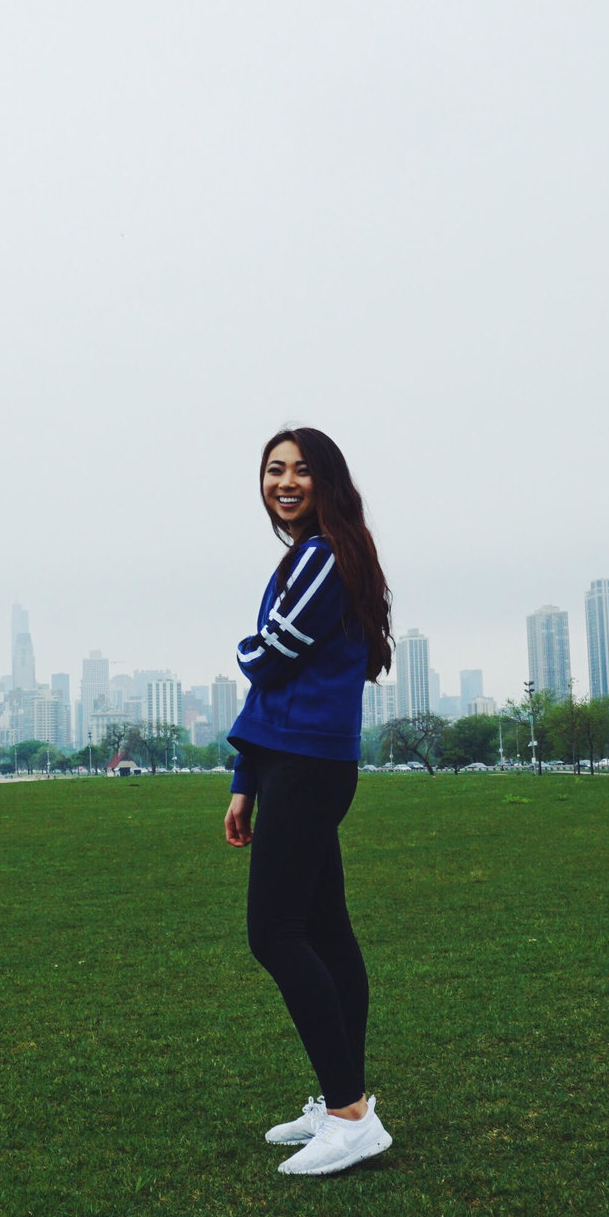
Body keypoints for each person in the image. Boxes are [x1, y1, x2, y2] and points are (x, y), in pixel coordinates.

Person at [224, 426, 396, 1177]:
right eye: (272, 470)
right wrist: (243, 780)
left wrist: (246, 646)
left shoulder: (326, 555)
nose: (283, 481)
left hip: (308, 764)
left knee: (275, 933)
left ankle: (351, 1112)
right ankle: (342, 1103)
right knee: (325, 930)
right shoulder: (308, 556)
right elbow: (278, 682)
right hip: (291, 762)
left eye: (299, 470)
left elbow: (274, 654)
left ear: (326, 480)